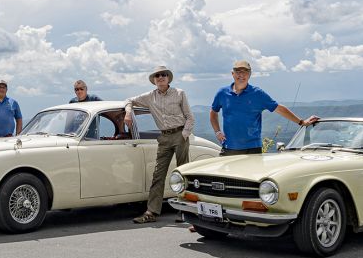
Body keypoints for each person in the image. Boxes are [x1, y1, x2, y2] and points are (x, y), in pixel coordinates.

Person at [124, 65, 195, 223]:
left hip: (179, 134)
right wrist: (128, 113)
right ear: (154, 80)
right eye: (157, 76)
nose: (160, 77)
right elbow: (129, 100)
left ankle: (185, 211)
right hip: (163, 137)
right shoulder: (150, 96)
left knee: (183, 173)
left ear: (168, 78)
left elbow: (190, 117)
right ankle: (151, 212)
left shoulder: (179, 93)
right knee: (158, 174)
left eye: (163, 75)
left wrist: (184, 135)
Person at [210, 60, 318, 155]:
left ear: (250, 74)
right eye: (238, 71)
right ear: (232, 74)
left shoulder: (258, 94)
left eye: (245, 72)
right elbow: (213, 112)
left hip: (252, 149)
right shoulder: (222, 93)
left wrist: (301, 122)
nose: (241, 75)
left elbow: (279, 109)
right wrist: (217, 132)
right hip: (229, 147)